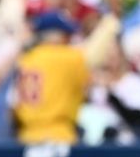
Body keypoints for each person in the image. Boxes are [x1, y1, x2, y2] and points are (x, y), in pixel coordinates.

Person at [12, 11, 89, 145]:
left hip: (26, 137)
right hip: (59, 136)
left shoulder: (25, 59)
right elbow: (93, 58)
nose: (69, 40)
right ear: (55, 37)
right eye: (66, 36)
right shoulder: (67, 57)